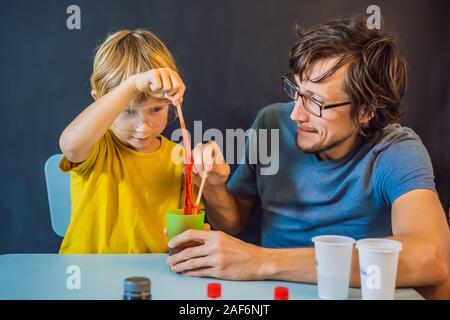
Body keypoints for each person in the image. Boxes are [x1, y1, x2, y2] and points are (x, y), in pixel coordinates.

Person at [166, 18, 450, 299]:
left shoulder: (395, 151)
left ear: (366, 110)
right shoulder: (271, 123)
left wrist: (261, 261)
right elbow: (235, 221)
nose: (296, 114)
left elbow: (431, 257)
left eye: (316, 102)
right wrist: (214, 186)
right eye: (298, 92)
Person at [59, 29, 186, 253]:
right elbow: (70, 146)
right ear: (100, 101)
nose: (143, 127)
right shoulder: (97, 147)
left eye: (156, 109)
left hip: (155, 280)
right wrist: (131, 86)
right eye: (128, 112)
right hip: (86, 276)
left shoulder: (180, 158)